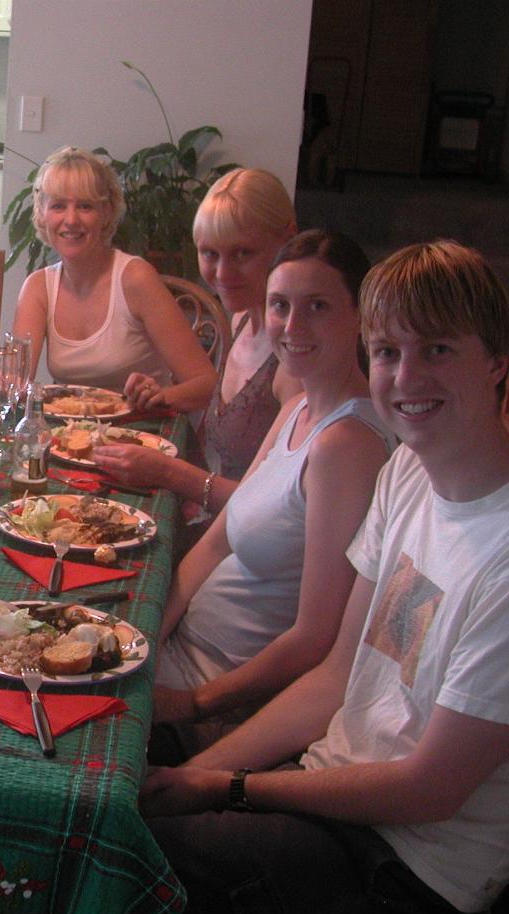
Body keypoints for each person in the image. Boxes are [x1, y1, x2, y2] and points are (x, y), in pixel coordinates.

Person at [141, 239, 509, 914]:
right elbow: (338, 674)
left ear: (497, 360)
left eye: (436, 350)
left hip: (410, 862)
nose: (405, 377)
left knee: (134, 864)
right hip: (333, 784)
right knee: (120, 797)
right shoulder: (408, 473)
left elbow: (429, 790)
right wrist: (196, 778)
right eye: (386, 352)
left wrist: (229, 787)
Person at [151, 231, 394, 760]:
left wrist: (193, 702)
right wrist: (147, 642)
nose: (292, 325)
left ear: (360, 316)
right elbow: (215, 542)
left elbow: (314, 638)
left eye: (318, 307)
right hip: (178, 654)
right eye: (280, 305)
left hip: (222, 698)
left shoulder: (347, 446)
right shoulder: (298, 405)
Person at [93, 168, 302, 511]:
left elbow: (269, 508)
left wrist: (169, 473)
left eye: (242, 254)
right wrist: (161, 395)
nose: (222, 274)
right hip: (214, 518)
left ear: (287, 239)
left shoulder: (294, 362)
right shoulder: (241, 319)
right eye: (210, 254)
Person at [10, 146, 215, 414]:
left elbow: (206, 384)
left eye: (85, 206)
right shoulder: (38, 287)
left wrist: (159, 396)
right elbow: (12, 384)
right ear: (42, 214)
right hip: (69, 438)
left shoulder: (136, 278)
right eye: (59, 206)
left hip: (143, 432)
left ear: (106, 213)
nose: (71, 220)